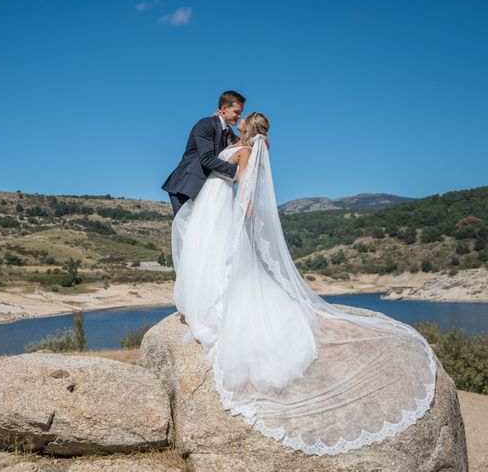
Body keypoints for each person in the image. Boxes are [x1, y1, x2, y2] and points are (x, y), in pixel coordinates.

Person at [171, 112, 437, 456]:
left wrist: (242, 213)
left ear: (248, 128)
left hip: (223, 210)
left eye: (242, 122)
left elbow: (244, 186)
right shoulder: (237, 144)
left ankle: (217, 303)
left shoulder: (248, 151)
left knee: (226, 267)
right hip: (213, 209)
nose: (237, 124)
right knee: (209, 257)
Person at [161, 90, 245, 215]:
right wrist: (237, 172)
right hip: (186, 188)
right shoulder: (206, 124)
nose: (239, 116)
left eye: (240, 113)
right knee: (187, 233)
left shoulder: (224, 131)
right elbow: (207, 158)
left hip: (203, 191)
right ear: (224, 108)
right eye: (237, 112)